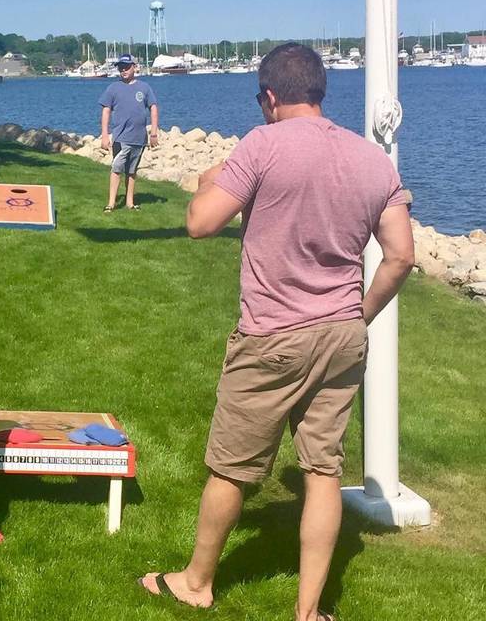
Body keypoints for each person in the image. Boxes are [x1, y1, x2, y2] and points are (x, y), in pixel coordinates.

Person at [138, 43, 415, 621]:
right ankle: (309, 611)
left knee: (231, 468)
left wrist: (211, 176)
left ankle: (196, 582)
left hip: (271, 335)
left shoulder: (261, 143)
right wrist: (359, 315)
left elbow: (200, 222)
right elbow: (399, 257)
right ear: (319, 90)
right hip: (342, 333)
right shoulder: (372, 160)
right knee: (323, 470)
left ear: (269, 96)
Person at [98, 53, 159, 212]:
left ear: (134, 67)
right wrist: (105, 135)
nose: (123, 70)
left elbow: (153, 107)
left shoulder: (145, 88)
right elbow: (106, 111)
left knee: (131, 172)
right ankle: (111, 204)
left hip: (139, 139)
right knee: (116, 169)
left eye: (126, 67)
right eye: (121, 67)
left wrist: (153, 132)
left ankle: (130, 202)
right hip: (120, 138)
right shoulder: (113, 88)